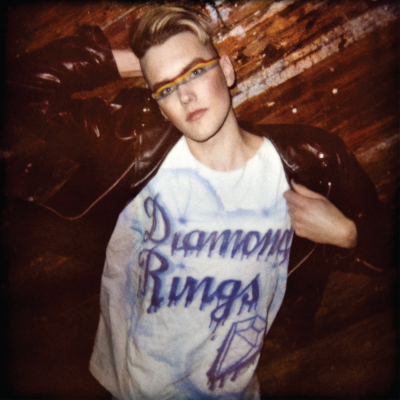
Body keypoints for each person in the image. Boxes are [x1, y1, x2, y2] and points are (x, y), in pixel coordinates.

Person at [4, 5, 389, 400]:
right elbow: (19, 90)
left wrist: (347, 234)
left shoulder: (313, 162)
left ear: (227, 70)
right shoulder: (133, 148)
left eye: (194, 73)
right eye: (166, 88)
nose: (185, 96)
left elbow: (386, 253)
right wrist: (140, 63)